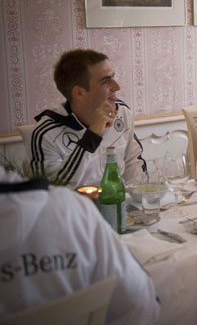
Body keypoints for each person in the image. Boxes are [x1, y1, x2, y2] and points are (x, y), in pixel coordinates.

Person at [0, 167, 160, 324]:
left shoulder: (73, 208)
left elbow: (136, 170)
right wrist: (90, 140)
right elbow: (142, 304)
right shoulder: (72, 210)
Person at [29, 49, 146, 187]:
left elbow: (133, 163)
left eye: (113, 77)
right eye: (105, 81)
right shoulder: (46, 134)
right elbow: (53, 192)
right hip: (76, 208)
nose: (117, 86)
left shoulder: (121, 112)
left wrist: (136, 201)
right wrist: (92, 136)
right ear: (79, 93)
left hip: (121, 203)